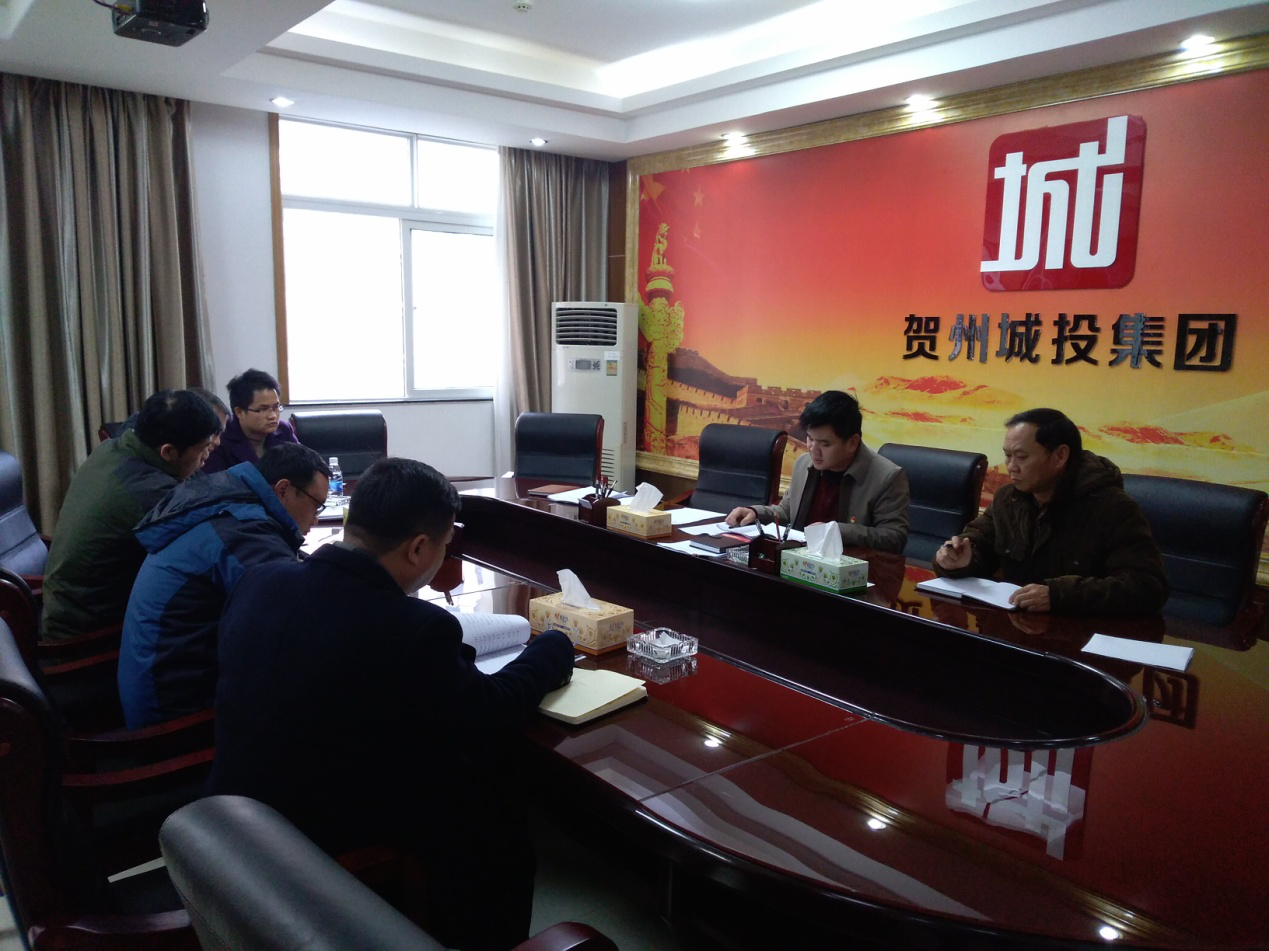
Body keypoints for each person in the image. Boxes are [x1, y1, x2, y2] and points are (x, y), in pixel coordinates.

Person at [209, 457, 575, 951]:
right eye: (445, 546)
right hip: (311, 849)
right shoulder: (410, 628)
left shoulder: (260, 581)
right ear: (418, 547)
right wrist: (552, 647)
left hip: (239, 819)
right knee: (496, 822)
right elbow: (490, 713)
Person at [117, 444, 331, 729]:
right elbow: (296, 619)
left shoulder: (230, 503)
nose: (316, 518)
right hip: (173, 717)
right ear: (283, 490)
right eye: (317, 505)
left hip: (162, 683)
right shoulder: (243, 532)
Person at [933, 408, 1168, 615]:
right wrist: (961, 560)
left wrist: (1059, 595)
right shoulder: (1009, 499)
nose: (1011, 466)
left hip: (1077, 636)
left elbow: (1147, 587)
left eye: (1021, 457)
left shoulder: (1112, 507)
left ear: (1059, 456)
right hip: (1015, 629)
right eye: (1007, 455)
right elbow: (979, 541)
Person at [41, 390, 221, 641]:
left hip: (68, 606)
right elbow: (211, 540)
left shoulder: (114, 448)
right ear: (168, 452)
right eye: (202, 448)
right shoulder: (150, 493)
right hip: (88, 632)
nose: (208, 454)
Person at [725, 390, 909, 553]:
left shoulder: (887, 477)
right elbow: (787, 512)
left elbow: (894, 538)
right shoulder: (803, 464)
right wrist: (755, 513)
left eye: (824, 444)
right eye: (810, 439)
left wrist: (837, 531)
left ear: (852, 443)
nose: (813, 450)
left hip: (850, 570)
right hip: (799, 562)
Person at [202, 368, 299, 473]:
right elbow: (216, 480)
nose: (273, 416)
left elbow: (303, 466)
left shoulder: (284, 430)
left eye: (276, 407)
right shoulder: (221, 440)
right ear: (239, 412)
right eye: (263, 409)